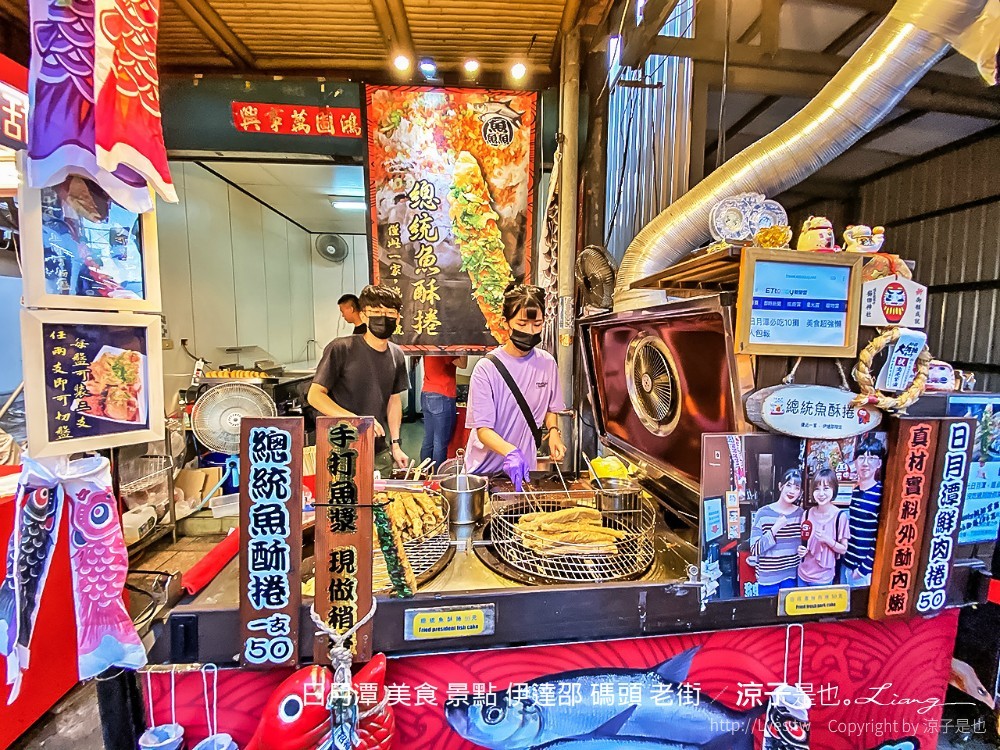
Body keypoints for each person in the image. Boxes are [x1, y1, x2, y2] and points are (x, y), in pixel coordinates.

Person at [463, 284, 566, 489]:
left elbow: (550, 408)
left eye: (537, 324)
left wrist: (553, 431)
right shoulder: (487, 369)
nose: (530, 331)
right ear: (506, 322)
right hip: (485, 472)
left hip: (522, 470)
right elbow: (483, 429)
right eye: (522, 323)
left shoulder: (547, 363)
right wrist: (511, 451)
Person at [309, 285, 408, 475]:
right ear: (363, 316)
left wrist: (395, 444)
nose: (383, 318)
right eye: (376, 312)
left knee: (380, 502)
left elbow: (393, 401)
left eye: (389, 313)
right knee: (342, 502)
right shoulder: (341, 348)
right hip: (341, 449)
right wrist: (357, 421)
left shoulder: (397, 354)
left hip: (378, 449)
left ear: (397, 318)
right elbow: (315, 396)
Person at [749, 469, 804, 596]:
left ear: (800, 492)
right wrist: (775, 528)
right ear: (780, 486)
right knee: (768, 615)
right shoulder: (763, 514)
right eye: (788, 485)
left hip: (792, 577)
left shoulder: (801, 514)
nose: (792, 491)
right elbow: (755, 549)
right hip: (768, 579)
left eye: (796, 488)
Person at [841, 435, 885, 586]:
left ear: (879, 463)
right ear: (855, 462)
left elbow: (881, 537)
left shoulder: (881, 494)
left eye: (871, 458)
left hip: (862, 570)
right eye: (861, 458)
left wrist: (863, 569)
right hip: (846, 561)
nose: (865, 463)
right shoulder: (856, 491)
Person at [797, 469, 850, 587]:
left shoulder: (840, 516)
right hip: (802, 573)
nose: (821, 494)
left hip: (823, 578)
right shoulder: (807, 514)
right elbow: (804, 543)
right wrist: (802, 550)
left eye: (826, 488)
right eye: (817, 489)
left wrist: (828, 540)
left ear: (834, 490)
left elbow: (843, 549)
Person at [420, 354, 468, 469]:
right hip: (443, 394)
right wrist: (463, 347)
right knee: (440, 443)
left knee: (429, 440)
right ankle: (437, 477)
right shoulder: (444, 346)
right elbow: (463, 364)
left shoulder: (429, 342)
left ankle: (423, 474)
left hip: (426, 393)